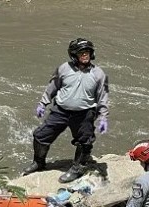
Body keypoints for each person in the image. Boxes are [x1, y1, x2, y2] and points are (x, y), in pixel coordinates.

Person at [22, 38, 109, 183]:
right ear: (74, 55)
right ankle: (38, 162)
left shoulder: (98, 73)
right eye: (82, 53)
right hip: (60, 111)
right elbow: (52, 87)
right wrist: (43, 103)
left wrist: (103, 117)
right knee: (40, 135)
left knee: (85, 142)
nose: (85, 55)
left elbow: (103, 97)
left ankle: (77, 168)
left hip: (84, 113)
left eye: (87, 52)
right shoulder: (63, 68)